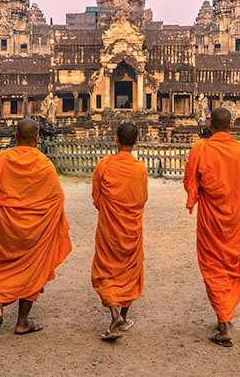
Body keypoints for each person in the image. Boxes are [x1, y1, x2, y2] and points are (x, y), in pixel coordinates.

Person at [0, 118, 72, 335]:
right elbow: (57, 197)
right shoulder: (45, 164)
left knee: (2, 265)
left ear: (15, 136)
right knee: (34, 269)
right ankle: (22, 322)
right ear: (38, 138)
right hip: (36, 230)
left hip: (9, 227)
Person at [183, 107, 240, 348]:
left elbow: (190, 182)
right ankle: (225, 315)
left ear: (208, 124)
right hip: (237, 220)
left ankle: (224, 324)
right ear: (232, 126)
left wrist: (196, 194)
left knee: (214, 267)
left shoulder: (201, 148)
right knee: (230, 266)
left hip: (212, 220)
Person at [90, 122, 148, 341]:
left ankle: (115, 313)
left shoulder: (104, 165)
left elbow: (96, 196)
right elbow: (142, 199)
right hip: (131, 227)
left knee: (106, 268)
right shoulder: (140, 168)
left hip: (109, 227)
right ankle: (122, 316)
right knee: (129, 269)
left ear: (116, 139)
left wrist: (108, 210)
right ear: (136, 141)